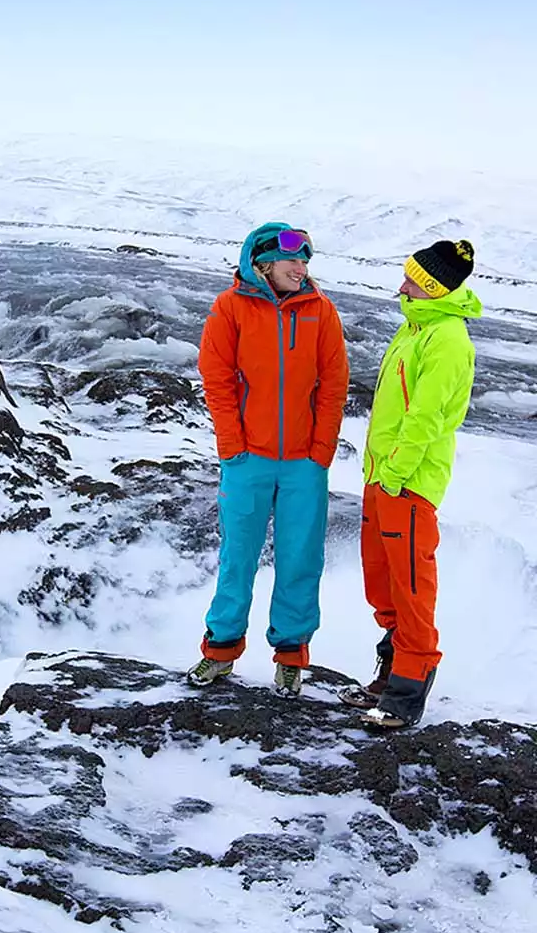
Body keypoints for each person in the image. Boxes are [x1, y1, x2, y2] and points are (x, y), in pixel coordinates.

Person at [188, 222, 349, 695]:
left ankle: (290, 657)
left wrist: (320, 450)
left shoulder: (321, 311)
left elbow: (334, 384)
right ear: (262, 263)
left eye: (305, 262)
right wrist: (232, 446)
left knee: (300, 559)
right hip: (248, 460)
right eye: (292, 261)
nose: (301, 269)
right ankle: (219, 652)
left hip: (304, 464)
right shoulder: (229, 307)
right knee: (237, 557)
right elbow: (215, 378)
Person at [338, 240, 481, 729]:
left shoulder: (447, 339)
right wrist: (378, 473)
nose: (402, 286)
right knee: (383, 584)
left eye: (414, 280)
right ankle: (389, 671)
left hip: (409, 483)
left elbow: (427, 417)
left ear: (436, 288)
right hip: (383, 478)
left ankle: (406, 694)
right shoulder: (413, 328)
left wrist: (396, 474)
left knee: (412, 587)